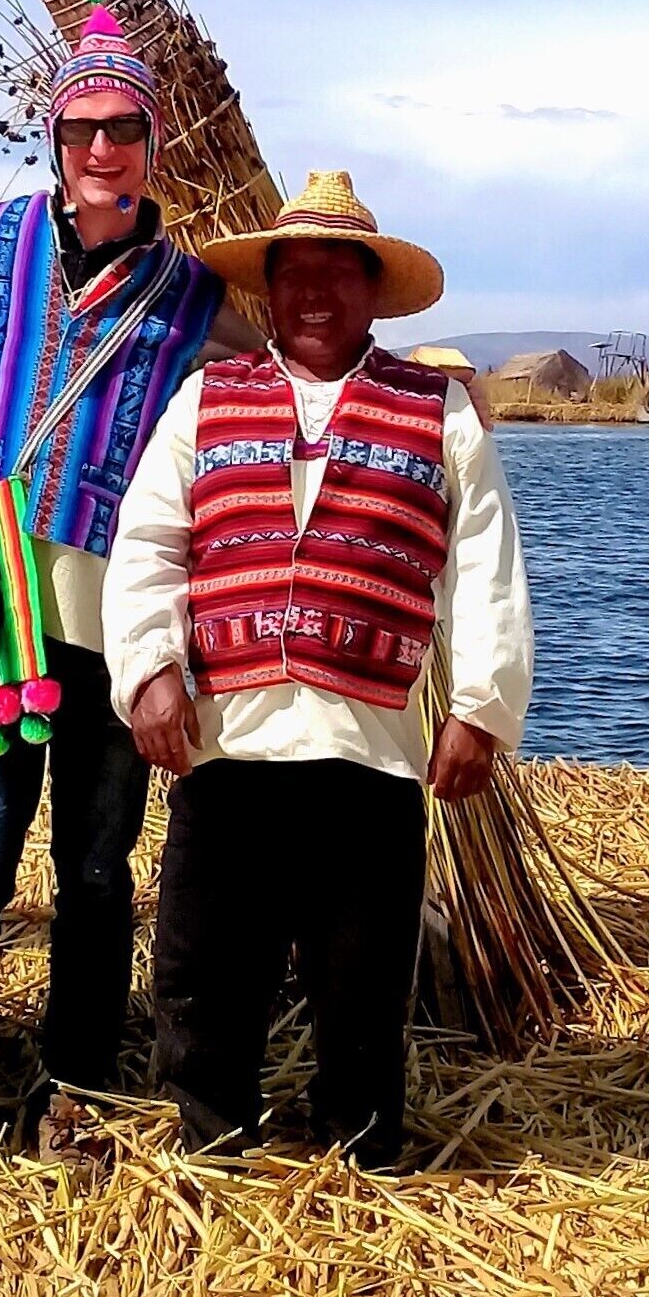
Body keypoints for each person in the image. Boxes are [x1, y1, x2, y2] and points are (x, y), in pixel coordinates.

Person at [103, 170, 531, 1170]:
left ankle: (362, 1144)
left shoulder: (438, 414)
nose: (312, 292)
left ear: (372, 290)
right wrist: (151, 668)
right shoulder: (207, 399)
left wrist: (479, 707)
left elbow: (483, 565)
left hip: (368, 746)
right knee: (206, 961)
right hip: (231, 740)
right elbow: (149, 544)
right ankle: (216, 1140)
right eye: (294, 272)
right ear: (268, 289)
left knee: (362, 969)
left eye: (337, 273)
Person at [0, 0, 261, 1154]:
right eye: (80, 128)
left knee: (97, 871)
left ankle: (74, 1085)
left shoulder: (195, 296)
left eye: (122, 130)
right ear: (52, 139)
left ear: (154, 147)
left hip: (111, 622)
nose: (100, 149)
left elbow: (253, 408)